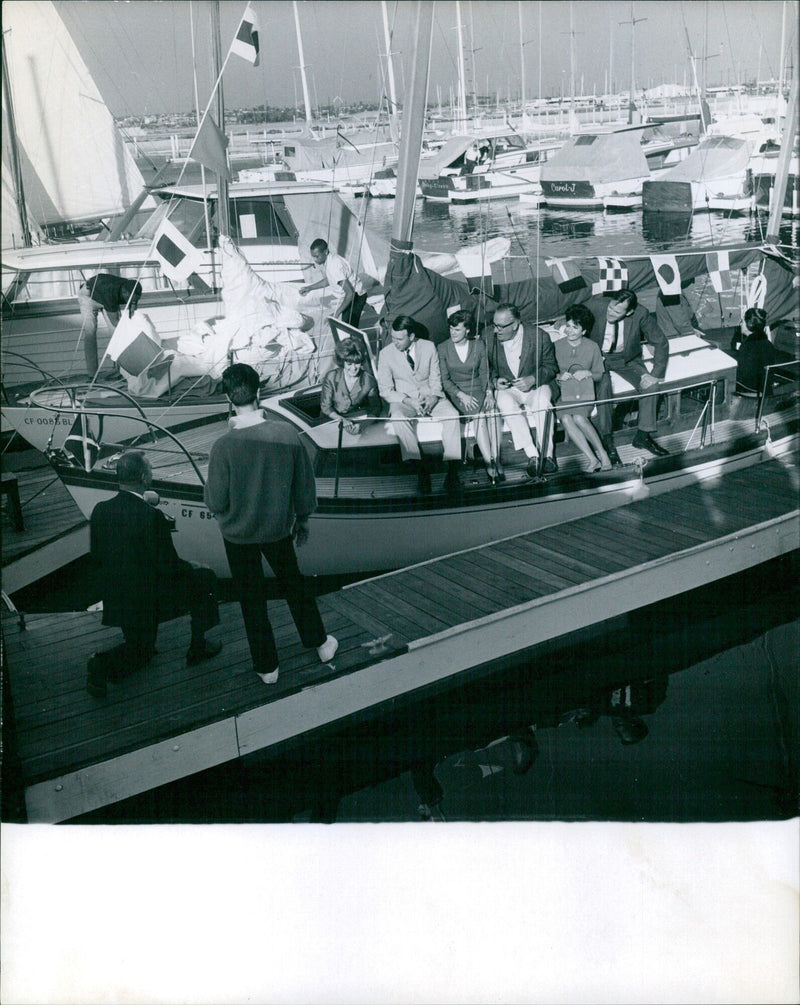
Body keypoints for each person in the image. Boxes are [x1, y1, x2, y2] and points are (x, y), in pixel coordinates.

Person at [204, 363, 337, 685]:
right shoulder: (286, 434)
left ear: (228, 399)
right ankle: (320, 643)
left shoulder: (222, 447)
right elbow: (304, 486)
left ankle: (267, 668)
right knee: (295, 586)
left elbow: (216, 502)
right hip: (278, 530)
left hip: (238, 537)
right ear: (259, 392)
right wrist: (302, 519)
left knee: (252, 600)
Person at [87, 451, 221, 697]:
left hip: (118, 596)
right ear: (143, 477)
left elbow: (97, 556)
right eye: (149, 470)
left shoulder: (100, 510)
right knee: (206, 578)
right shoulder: (152, 517)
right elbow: (169, 566)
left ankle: (114, 656)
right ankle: (198, 647)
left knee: (142, 650)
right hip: (146, 599)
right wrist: (194, 566)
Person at [377, 315, 463, 496]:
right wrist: (409, 401)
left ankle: (452, 470)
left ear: (412, 336)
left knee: (453, 415)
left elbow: (436, 379)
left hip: (431, 396)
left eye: (399, 339)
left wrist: (432, 398)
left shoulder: (429, 347)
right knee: (398, 417)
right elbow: (385, 390)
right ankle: (421, 471)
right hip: (404, 400)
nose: (395, 342)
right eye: (393, 338)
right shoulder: (386, 354)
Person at [585, 288, 670, 463]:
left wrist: (655, 374)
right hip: (598, 358)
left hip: (627, 360)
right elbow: (572, 315)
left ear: (629, 312)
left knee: (652, 387)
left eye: (617, 311)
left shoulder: (640, 313)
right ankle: (607, 440)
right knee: (604, 387)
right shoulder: (595, 305)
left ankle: (643, 436)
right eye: (610, 307)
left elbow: (660, 341)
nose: (611, 312)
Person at [483, 303, 559, 478]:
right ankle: (532, 454)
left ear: (515, 325)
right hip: (508, 389)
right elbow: (485, 368)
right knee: (504, 403)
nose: (495, 331)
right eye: (494, 325)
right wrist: (495, 381)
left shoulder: (539, 336)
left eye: (500, 327)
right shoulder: (487, 337)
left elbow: (551, 367)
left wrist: (533, 378)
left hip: (536, 386)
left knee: (543, 404)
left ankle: (548, 456)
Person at [437, 310, 504, 484]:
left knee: (494, 411)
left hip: (479, 389)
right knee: (480, 416)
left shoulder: (479, 345)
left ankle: (496, 458)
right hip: (457, 393)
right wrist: (461, 395)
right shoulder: (443, 348)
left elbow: (485, 373)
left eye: (457, 330)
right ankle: (490, 464)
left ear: (467, 330)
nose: (453, 333)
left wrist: (489, 392)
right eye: (451, 328)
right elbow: (444, 380)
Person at [554, 304, 612, 472]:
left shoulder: (592, 347)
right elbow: (551, 371)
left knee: (579, 418)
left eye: (575, 327)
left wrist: (587, 373)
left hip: (584, 394)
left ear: (584, 331)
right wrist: (559, 376)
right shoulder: (556, 346)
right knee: (565, 418)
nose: (569, 330)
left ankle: (603, 454)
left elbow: (599, 374)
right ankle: (592, 459)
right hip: (564, 394)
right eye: (568, 325)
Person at [77, 274, 142, 378]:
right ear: (124, 293)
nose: (132, 302)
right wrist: (130, 333)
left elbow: (132, 310)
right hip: (88, 296)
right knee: (90, 332)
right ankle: (92, 374)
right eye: (131, 299)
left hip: (104, 294)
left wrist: (134, 326)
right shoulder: (110, 292)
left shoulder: (133, 289)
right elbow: (116, 322)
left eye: (135, 299)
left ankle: (120, 370)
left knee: (116, 334)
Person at [298, 238, 367, 327]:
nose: (315, 260)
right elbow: (329, 280)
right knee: (346, 326)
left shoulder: (334, 266)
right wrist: (309, 288)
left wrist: (336, 314)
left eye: (317, 256)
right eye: (313, 256)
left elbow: (350, 293)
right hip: (350, 296)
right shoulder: (329, 261)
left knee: (348, 329)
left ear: (326, 252)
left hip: (356, 297)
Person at [320, 337, 381, 435]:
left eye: (357, 363)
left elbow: (375, 408)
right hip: (329, 421)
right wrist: (342, 420)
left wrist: (363, 425)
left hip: (355, 419)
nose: (353, 368)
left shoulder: (369, 380)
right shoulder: (331, 376)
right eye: (349, 364)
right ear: (342, 361)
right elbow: (326, 407)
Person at [731, 307, 789, 395]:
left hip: (751, 391)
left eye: (742, 322)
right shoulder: (767, 343)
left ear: (749, 324)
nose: (740, 324)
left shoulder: (748, 346)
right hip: (766, 389)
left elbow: (744, 376)